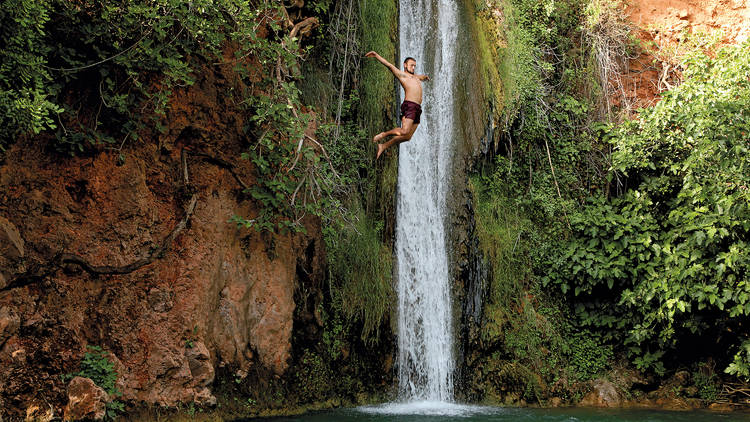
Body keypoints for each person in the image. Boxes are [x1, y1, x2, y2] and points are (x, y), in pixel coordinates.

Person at [365, 51, 430, 159]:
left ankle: (383, 146)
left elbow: (421, 77)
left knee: (407, 137)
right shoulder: (402, 75)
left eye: (414, 66)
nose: (413, 68)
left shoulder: (416, 77)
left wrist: (425, 77)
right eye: (411, 65)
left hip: (418, 108)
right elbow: (389, 66)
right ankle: (383, 134)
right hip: (410, 105)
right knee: (404, 131)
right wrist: (376, 56)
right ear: (405, 65)